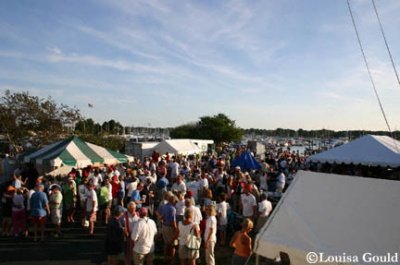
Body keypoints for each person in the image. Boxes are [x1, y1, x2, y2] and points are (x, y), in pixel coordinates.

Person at [159, 193, 178, 265]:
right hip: (170, 227)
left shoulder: (164, 206)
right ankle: (172, 260)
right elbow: (173, 221)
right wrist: (176, 229)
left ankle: (165, 258)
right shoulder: (173, 209)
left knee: (166, 244)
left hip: (164, 226)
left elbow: (161, 216)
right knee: (173, 245)